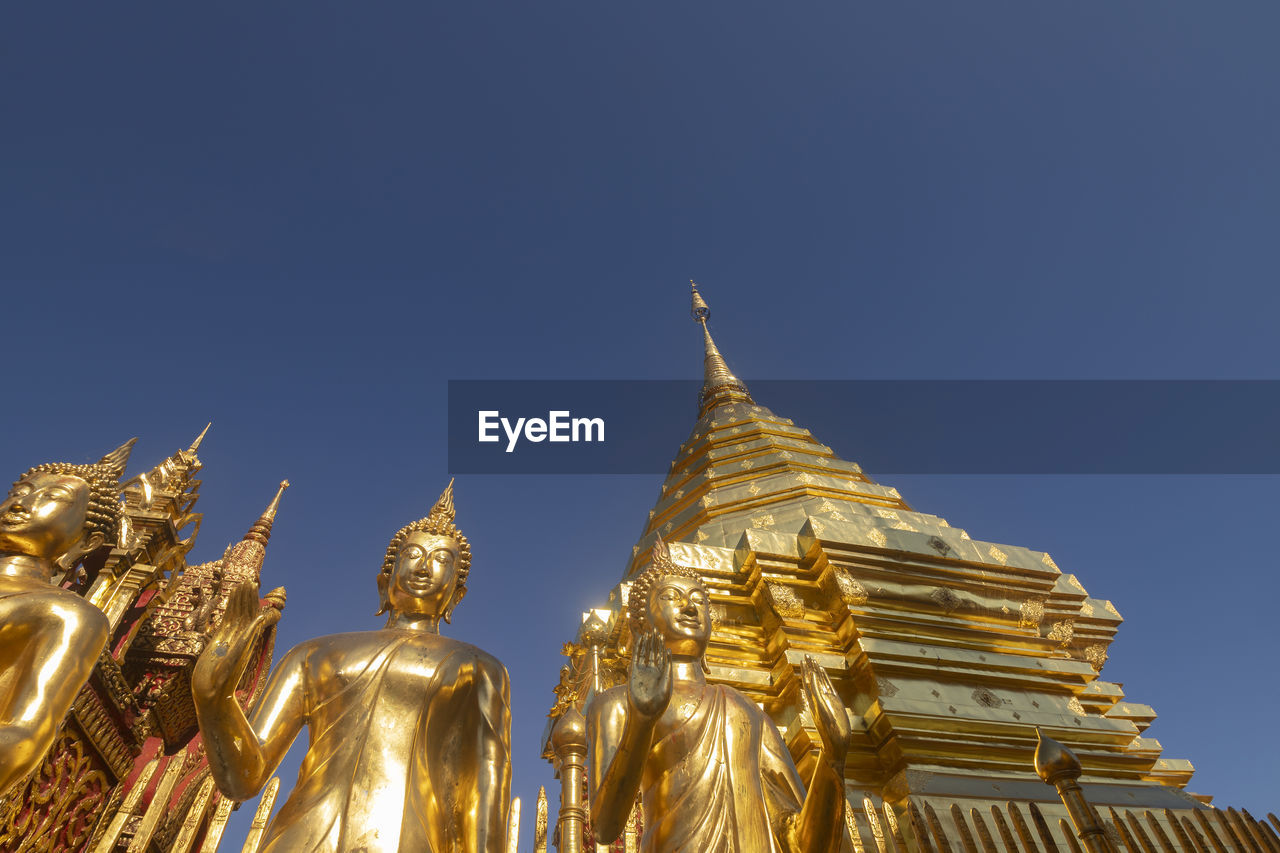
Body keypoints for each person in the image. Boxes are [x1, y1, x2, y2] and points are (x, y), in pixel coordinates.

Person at [192, 481, 511, 853]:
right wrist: (215, 699)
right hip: (298, 839)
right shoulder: (314, 654)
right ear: (383, 579)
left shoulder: (478, 668)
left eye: (442, 560)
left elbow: (485, 787)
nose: (424, 568)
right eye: (412, 555)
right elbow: (243, 780)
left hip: (409, 842)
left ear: (457, 594)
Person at [588, 535, 851, 852]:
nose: (689, 607)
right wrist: (641, 722)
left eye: (699, 600)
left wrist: (833, 757)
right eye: (672, 597)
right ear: (640, 625)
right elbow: (604, 826)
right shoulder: (618, 704)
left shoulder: (746, 710)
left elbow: (800, 841)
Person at [0, 440, 133, 797]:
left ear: (88, 541)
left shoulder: (65, 612)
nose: (21, 503)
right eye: (20, 491)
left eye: (52, 498)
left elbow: (24, 735)